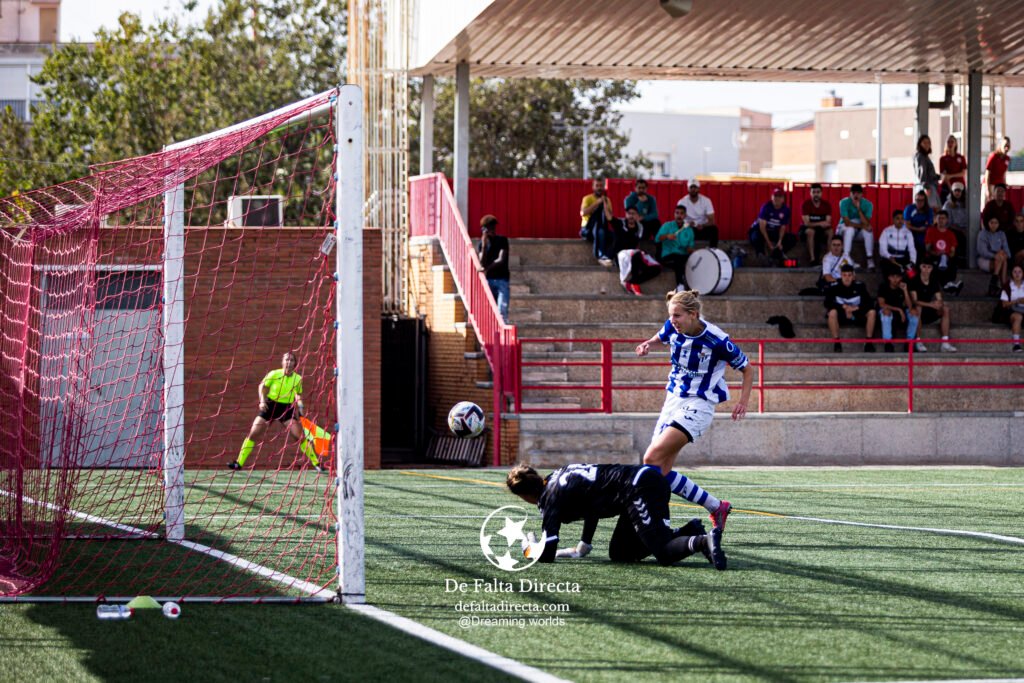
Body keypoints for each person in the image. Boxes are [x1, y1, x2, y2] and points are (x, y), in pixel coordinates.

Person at [634, 289, 753, 531]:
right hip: (673, 400)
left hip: (699, 404)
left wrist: (743, 401)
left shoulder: (717, 340)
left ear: (693, 314)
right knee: (660, 471)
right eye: (671, 315)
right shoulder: (673, 326)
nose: (672, 321)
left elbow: (748, 369)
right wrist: (648, 343)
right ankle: (716, 507)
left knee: (650, 459)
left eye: (677, 316)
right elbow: (660, 336)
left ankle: (656, 525)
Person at [505, 463, 726, 568]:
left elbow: (547, 555)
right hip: (637, 485)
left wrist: (528, 547)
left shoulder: (549, 499)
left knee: (664, 553)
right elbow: (589, 505)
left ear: (524, 495)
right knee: (621, 553)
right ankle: (690, 531)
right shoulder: (555, 476)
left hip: (638, 488)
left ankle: (703, 541)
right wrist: (584, 543)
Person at [229, 352, 325, 472]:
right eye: (286, 360)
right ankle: (239, 463)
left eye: (291, 360)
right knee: (253, 433)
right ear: (282, 362)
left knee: (299, 436)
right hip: (270, 406)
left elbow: (298, 394)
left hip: (286, 409)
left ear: (295, 363)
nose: (289, 362)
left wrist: (300, 406)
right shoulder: (274, 374)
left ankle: (317, 463)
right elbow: (262, 386)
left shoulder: (298, 378)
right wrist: (262, 401)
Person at [824, 264, 877, 353]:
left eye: (849, 275)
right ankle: (837, 343)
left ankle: (868, 342)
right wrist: (843, 307)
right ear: (841, 275)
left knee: (872, 312)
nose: (847, 278)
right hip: (841, 314)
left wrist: (856, 308)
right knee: (832, 313)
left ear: (853, 276)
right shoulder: (834, 287)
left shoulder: (860, 286)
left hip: (857, 313)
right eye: (844, 275)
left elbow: (869, 302)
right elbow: (827, 302)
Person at [909, 258, 957, 353]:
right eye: (924, 267)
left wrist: (939, 303)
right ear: (920, 267)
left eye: (929, 267)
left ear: (932, 269)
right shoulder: (914, 280)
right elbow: (914, 301)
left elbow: (939, 298)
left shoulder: (933, 281)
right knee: (918, 308)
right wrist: (930, 304)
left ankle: (945, 342)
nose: (926, 269)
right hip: (917, 312)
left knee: (945, 308)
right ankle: (918, 341)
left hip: (929, 311)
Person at [876, 269, 919, 353]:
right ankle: (888, 343)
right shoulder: (883, 286)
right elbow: (881, 304)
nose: (895, 279)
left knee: (914, 313)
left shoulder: (903, 287)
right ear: (889, 277)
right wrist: (899, 310)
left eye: (898, 277)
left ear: (901, 278)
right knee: (886, 312)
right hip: (889, 311)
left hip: (901, 313)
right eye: (893, 277)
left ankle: (909, 342)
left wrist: (905, 290)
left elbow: (909, 306)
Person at [477, 215, 511, 322]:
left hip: (502, 279)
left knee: (502, 309)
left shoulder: (502, 240)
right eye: (487, 228)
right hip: (489, 280)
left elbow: (501, 259)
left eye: (492, 227)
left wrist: (487, 268)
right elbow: (481, 263)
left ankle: (502, 330)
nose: (491, 230)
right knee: (491, 310)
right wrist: (484, 245)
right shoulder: (482, 244)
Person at [749, 188, 795, 264]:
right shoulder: (766, 207)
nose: (777, 198)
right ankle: (761, 255)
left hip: (773, 231)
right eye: (775, 196)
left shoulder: (786, 210)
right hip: (760, 230)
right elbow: (762, 227)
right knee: (755, 237)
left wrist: (780, 241)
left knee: (792, 238)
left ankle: (776, 256)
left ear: (783, 199)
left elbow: (783, 227)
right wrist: (769, 243)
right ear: (772, 197)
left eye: (780, 196)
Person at [837, 184, 875, 271]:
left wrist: (858, 209)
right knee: (850, 229)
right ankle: (846, 256)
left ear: (862, 194)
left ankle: (869, 258)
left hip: (857, 231)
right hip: (843, 230)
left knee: (868, 231)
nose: (855, 195)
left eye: (858, 193)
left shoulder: (868, 204)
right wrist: (862, 226)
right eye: (853, 193)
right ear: (850, 194)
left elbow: (866, 223)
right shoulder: (844, 202)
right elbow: (847, 223)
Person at [656, 205, 695, 291]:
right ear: (674, 214)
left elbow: (690, 247)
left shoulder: (689, 230)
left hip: (682, 257)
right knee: (678, 260)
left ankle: (682, 285)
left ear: (685, 215)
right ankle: (681, 284)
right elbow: (657, 239)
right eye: (677, 213)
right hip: (668, 256)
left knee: (684, 261)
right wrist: (667, 236)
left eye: (681, 213)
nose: (679, 215)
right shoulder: (667, 225)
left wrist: (690, 249)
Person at [924, 211, 963, 295]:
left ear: (947, 220)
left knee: (951, 260)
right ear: (936, 219)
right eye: (939, 218)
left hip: (947, 257)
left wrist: (947, 255)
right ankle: (948, 285)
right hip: (934, 256)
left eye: (943, 218)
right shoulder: (931, 231)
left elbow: (953, 251)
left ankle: (948, 285)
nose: (941, 220)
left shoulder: (951, 234)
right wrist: (936, 253)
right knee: (938, 261)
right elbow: (927, 249)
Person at [675, 179, 719, 248]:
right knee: (679, 229)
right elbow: (678, 220)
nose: (693, 189)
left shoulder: (706, 201)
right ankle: (681, 251)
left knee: (714, 229)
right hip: (688, 227)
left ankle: (713, 251)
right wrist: (688, 224)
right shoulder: (682, 202)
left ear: (698, 189)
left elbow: (712, 220)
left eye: (695, 187)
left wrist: (703, 225)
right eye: (691, 187)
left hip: (702, 227)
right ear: (688, 189)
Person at [580, 178, 613, 263]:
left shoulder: (607, 200)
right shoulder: (587, 198)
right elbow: (583, 213)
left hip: (602, 227)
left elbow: (610, 218)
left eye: (601, 186)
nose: (599, 188)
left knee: (614, 235)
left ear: (604, 187)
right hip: (587, 229)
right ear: (593, 187)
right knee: (601, 232)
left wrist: (604, 204)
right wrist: (597, 203)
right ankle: (601, 255)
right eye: (597, 186)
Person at [800, 182, 833, 265]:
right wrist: (820, 223)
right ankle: (812, 259)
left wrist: (817, 224)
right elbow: (806, 223)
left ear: (821, 193)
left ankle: (829, 258)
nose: (816, 194)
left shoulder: (826, 205)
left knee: (830, 232)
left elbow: (828, 222)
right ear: (810, 193)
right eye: (814, 192)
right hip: (807, 230)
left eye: (818, 192)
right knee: (810, 231)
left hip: (821, 230)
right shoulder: (806, 204)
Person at [978, 215, 1011, 295]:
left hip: (999, 260)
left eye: (996, 223)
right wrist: (995, 255)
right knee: (1001, 258)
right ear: (987, 223)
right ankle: (1004, 285)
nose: (994, 225)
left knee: (1002, 258)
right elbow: (982, 252)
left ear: (999, 224)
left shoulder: (1001, 234)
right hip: (984, 260)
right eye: (991, 222)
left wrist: (1002, 254)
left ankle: (993, 284)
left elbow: (1008, 253)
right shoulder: (983, 234)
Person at [878, 210, 917, 277]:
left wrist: (912, 261)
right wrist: (889, 256)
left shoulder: (908, 232)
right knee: (888, 275)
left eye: (902, 219)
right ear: (893, 220)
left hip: (903, 259)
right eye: (897, 218)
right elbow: (882, 248)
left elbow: (912, 248)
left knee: (912, 275)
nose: (900, 221)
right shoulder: (886, 231)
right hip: (889, 259)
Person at [940, 181, 969, 267]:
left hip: (966, 228)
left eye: (959, 191)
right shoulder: (948, 205)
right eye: (955, 191)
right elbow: (947, 222)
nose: (957, 193)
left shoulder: (967, 204)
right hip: (953, 228)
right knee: (958, 237)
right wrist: (961, 230)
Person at [913, 134, 941, 210]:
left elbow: (929, 173)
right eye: (924, 142)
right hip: (927, 187)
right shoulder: (920, 156)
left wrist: (939, 176)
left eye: (928, 143)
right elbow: (922, 173)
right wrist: (926, 187)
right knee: (932, 209)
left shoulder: (925, 156)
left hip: (929, 186)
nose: (927, 145)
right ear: (920, 144)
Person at [903, 190, 934, 257]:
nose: (919, 202)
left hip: (924, 233)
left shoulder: (929, 210)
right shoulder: (909, 208)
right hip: (910, 232)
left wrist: (922, 228)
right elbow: (907, 225)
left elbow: (929, 225)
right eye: (917, 200)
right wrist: (919, 229)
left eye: (922, 200)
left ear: (925, 201)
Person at [1000, 265, 1024, 352]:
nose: (1017, 274)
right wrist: (1017, 301)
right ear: (1011, 274)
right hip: (1011, 311)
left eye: (1019, 272)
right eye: (1015, 272)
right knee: (1018, 317)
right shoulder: (1007, 286)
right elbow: (1004, 304)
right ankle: (1016, 344)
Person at [938, 134, 967, 204]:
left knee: (962, 205)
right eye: (948, 142)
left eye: (952, 142)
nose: (950, 144)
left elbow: (963, 173)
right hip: (948, 187)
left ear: (955, 144)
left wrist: (951, 176)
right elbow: (944, 175)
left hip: (960, 186)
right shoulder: (943, 158)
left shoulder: (961, 157)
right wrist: (951, 189)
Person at [984, 137, 1011, 201]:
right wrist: (988, 189)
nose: (1006, 148)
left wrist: (1004, 184)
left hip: (1000, 186)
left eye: (1008, 146)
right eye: (1005, 145)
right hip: (990, 185)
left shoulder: (1007, 158)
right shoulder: (993, 156)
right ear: (1001, 145)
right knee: (988, 204)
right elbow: (987, 173)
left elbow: (1003, 173)